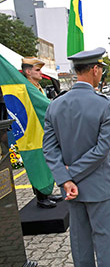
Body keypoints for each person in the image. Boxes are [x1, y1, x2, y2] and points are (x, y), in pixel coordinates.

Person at [43, 47, 110, 266]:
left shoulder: (55, 105)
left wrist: (65, 179)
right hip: (99, 186)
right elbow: (100, 150)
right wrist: (71, 174)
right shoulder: (104, 104)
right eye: (101, 70)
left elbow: (49, 147)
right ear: (95, 69)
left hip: (71, 189)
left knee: (80, 242)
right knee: (106, 242)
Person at [21, 57, 63, 208]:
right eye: (37, 70)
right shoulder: (26, 88)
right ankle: (41, 197)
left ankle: (47, 192)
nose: (40, 73)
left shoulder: (36, 86)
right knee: (38, 164)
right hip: (33, 131)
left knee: (45, 163)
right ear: (27, 72)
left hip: (42, 130)